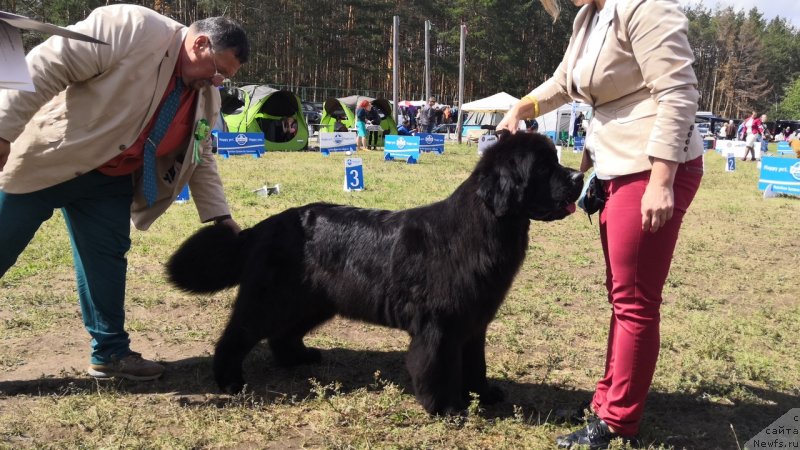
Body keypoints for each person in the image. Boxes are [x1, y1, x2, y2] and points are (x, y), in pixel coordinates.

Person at [0, 5, 248, 381]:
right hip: (48, 160)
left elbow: (201, 153)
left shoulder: (206, 96)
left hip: (110, 182)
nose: (217, 83)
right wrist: (3, 130)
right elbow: (45, 65)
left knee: (106, 263)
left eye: (224, 79)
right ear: (199, 44)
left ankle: (110, 353)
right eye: (218, 72)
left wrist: (219, 216)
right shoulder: (131, 28)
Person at [497, 0, 703, 447]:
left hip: (650, 166)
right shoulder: (588, 16)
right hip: (615, 165)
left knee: (634, 300)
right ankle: (606, 402)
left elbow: (679, 91)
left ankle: (618, 421)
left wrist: (662, 179)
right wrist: (522, 108)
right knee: (621, 294)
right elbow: (562, 83)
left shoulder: (645, 8)